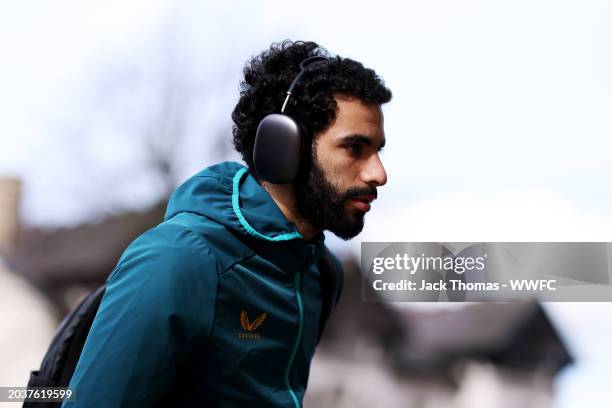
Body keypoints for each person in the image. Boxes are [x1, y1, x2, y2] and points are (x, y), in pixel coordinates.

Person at [63, 40, 391, 407]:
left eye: (379, 150)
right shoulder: (177, 261)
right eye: (355, 148)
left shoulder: (321, 273)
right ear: (285, 147)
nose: (379, 173)